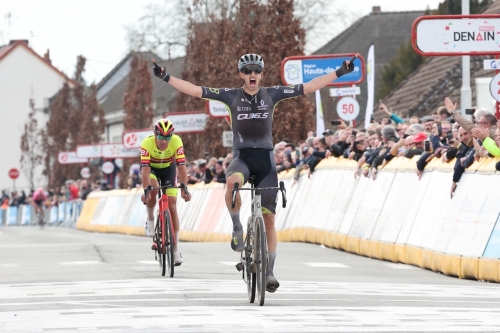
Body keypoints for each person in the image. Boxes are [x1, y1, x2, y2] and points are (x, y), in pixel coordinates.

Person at [151, 52, 355, 293]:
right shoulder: (230, 96)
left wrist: (340, 72)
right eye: (247, 70)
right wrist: (167, 77)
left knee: (269, 218)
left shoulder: (273, 94)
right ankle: (237, 226)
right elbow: (195, 90)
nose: (252, 75)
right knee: (232, 182)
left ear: (261, 74)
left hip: (266, 161)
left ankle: (269, 271)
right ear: (241, 74)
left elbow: (310, 86)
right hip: (243, 158)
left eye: (256, 70)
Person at [140, 118, 192, 266]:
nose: (164, 141)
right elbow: (145, 171)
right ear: (155, 135)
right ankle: (150, 220)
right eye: (161, 137)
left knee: (173, 207)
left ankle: (175, 251)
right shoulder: (147, 143)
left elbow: (182, 167)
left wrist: (184, 187)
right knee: (154, 190)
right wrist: (146, 190)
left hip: (169, 170)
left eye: (167, 137)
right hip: (152, 171)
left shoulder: (176, 141)